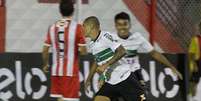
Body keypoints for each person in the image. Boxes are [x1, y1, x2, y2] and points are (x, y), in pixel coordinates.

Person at [83, 16, 146, 101]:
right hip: (111, 82)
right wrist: (89, 79)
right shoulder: (92, 44)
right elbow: (97, 60)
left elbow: (122, 51)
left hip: (125, 79)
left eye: (84, 26)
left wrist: (106, 65)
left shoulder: (105, 36)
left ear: (92, 27)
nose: (82, 29)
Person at [42, 0, 87, 101]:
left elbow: (45, 49)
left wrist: (45, 64)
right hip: (70, 73)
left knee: (61, 99)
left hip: (56, 72)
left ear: (60, 11)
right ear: (73, 10)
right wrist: (79, 50)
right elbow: (84, 51)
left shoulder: (52, 28)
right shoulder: (78, 28)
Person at [188, 22, 201, 100]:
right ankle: (192, 97)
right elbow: (191, 54)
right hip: (197, 63)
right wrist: (195, 65)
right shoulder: (195, 39)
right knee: (194, 83)